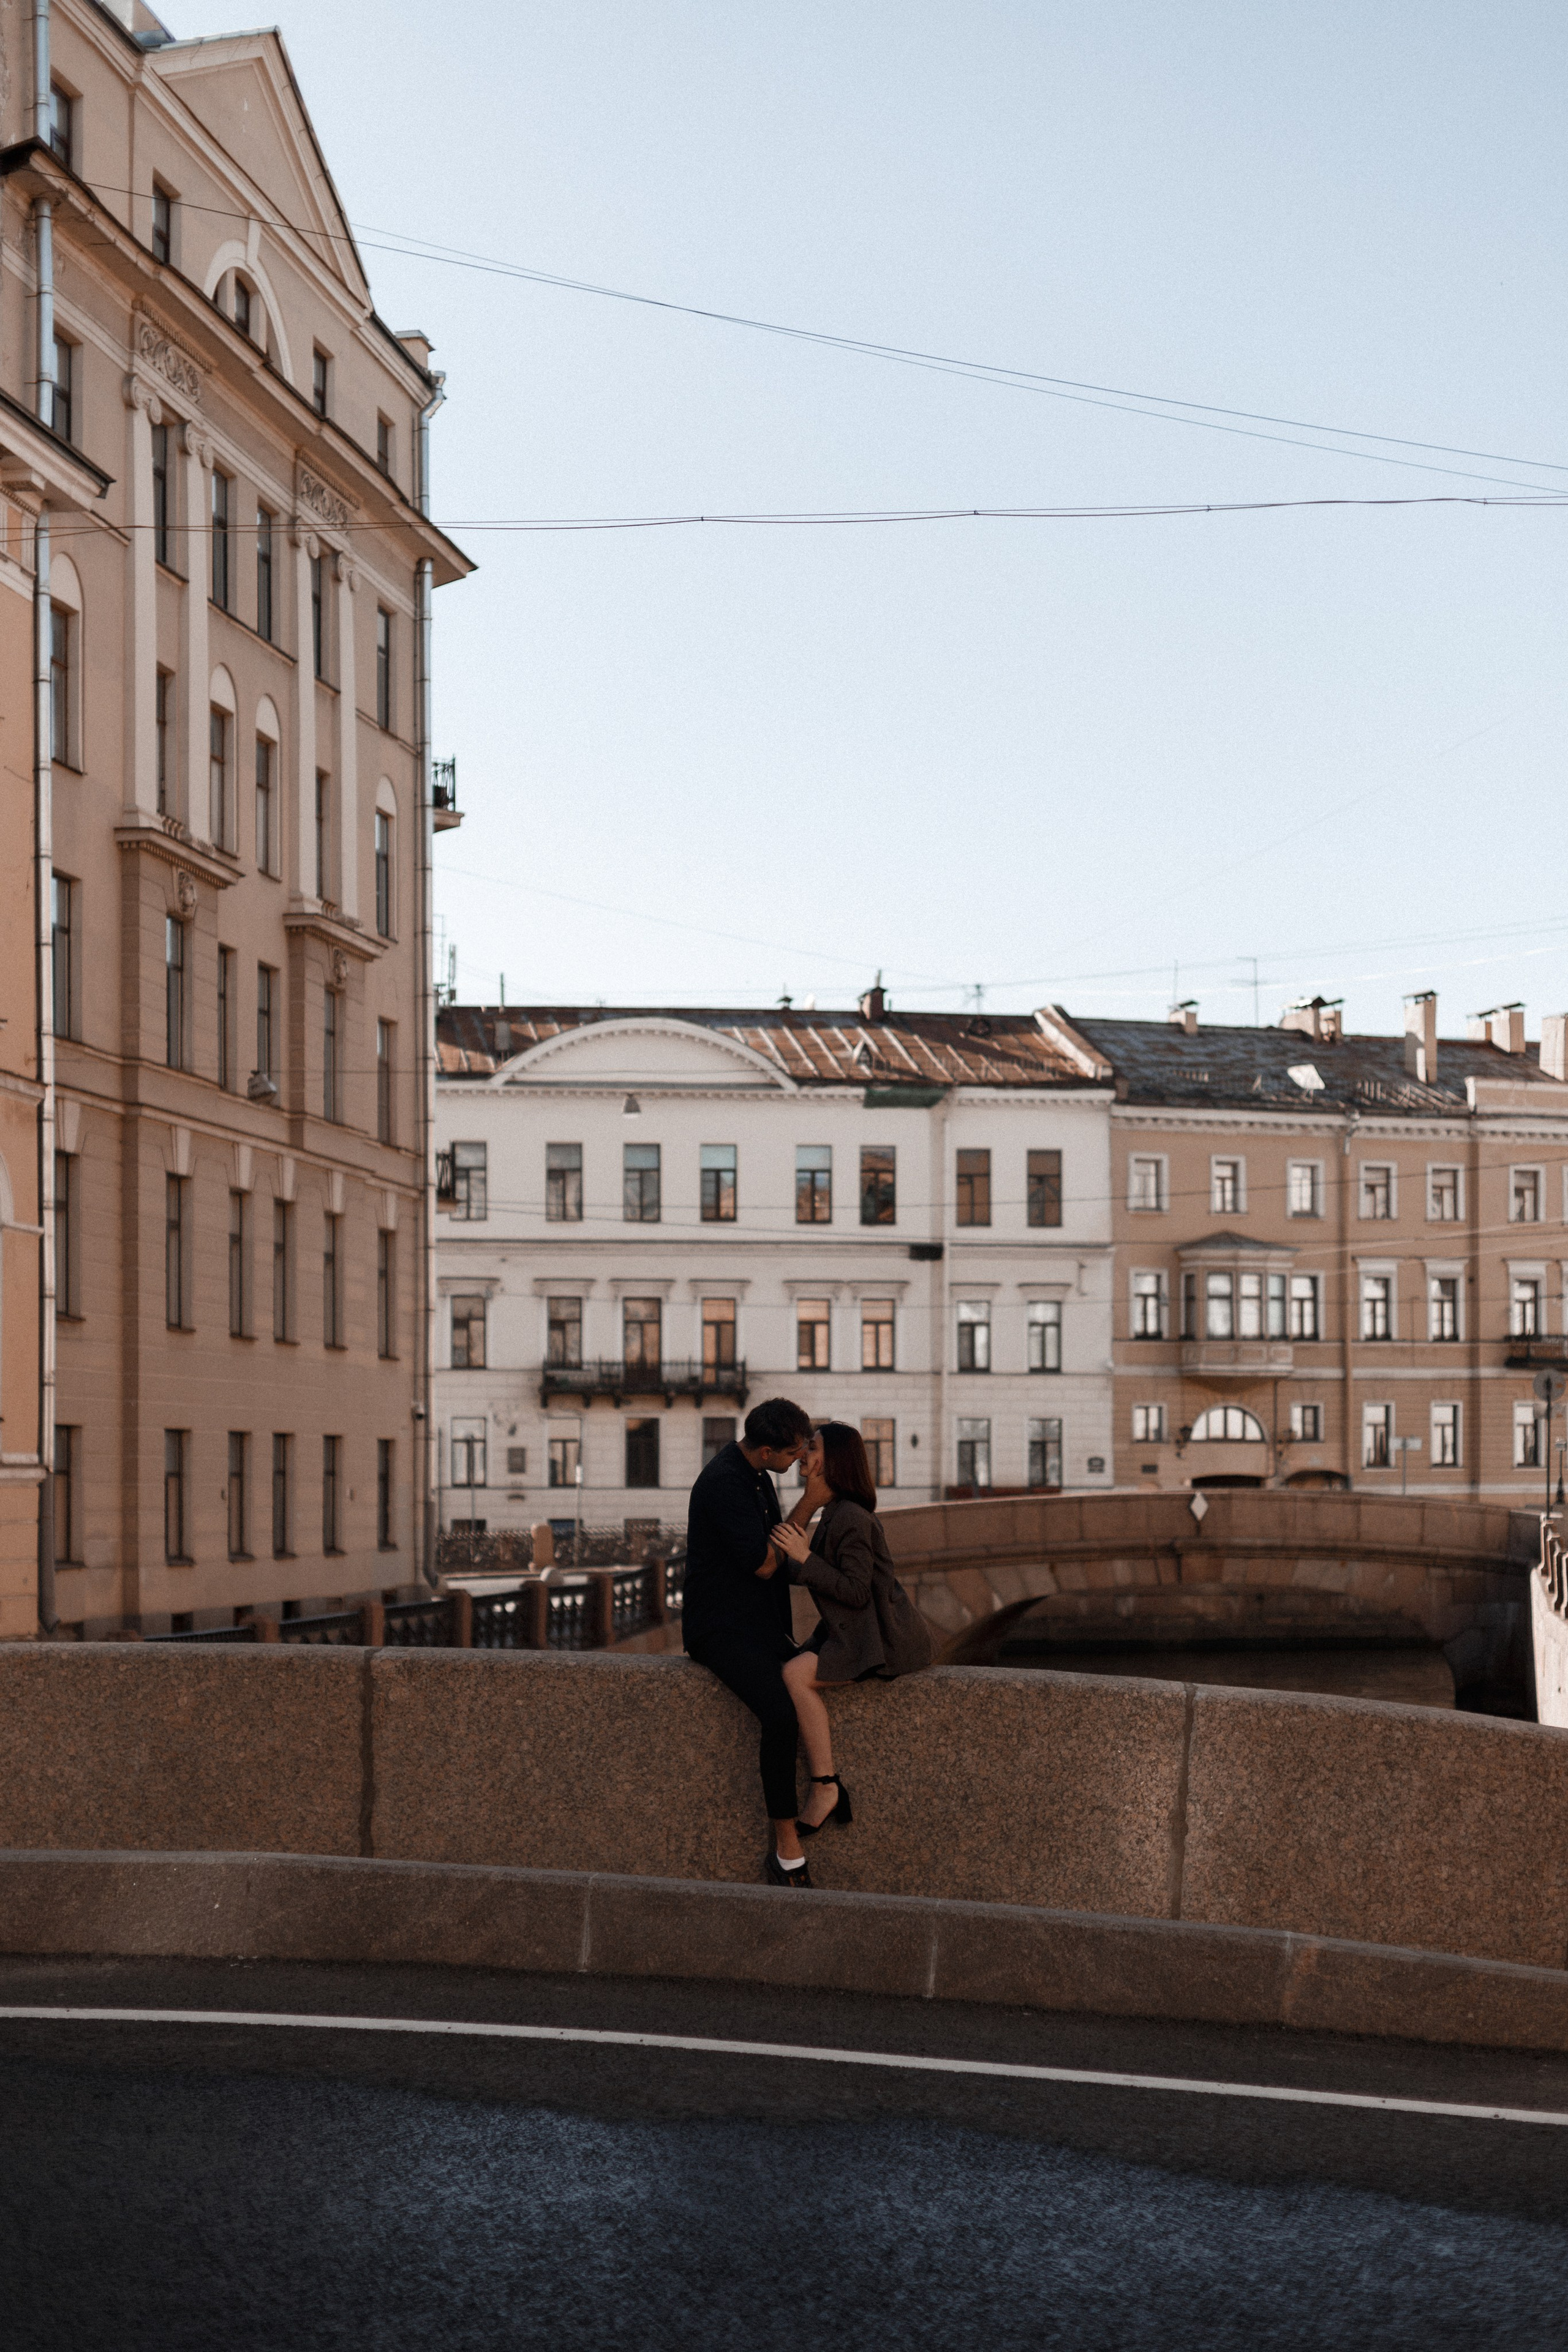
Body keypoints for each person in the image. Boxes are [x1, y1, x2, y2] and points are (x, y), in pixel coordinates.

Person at [769, 1420, 935, 1836]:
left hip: (881, 1641)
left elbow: (856, 1591)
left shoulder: (852, 1519)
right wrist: (797, 1545)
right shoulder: (834, 1512)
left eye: (814, 1447)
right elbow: (796, 1568)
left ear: (835, 1461)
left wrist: (805, 1557)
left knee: (794, 1675)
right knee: (790, 1666)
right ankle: (826, 1787)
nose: (805, 1452)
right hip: (852, 1633)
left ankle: (826, 1787)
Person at [682, 1396, 816, 1887]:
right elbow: (764, 1562)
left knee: (815, 1675)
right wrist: (811, 1504)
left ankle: (825, 1789)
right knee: (779, 1714)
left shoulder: (757, 1474)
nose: (798, 1463)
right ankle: (786, 1847)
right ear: (765, 1451)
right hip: (719, 1629)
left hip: (756, 1625)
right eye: (793, 1455)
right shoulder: (724, 1483)